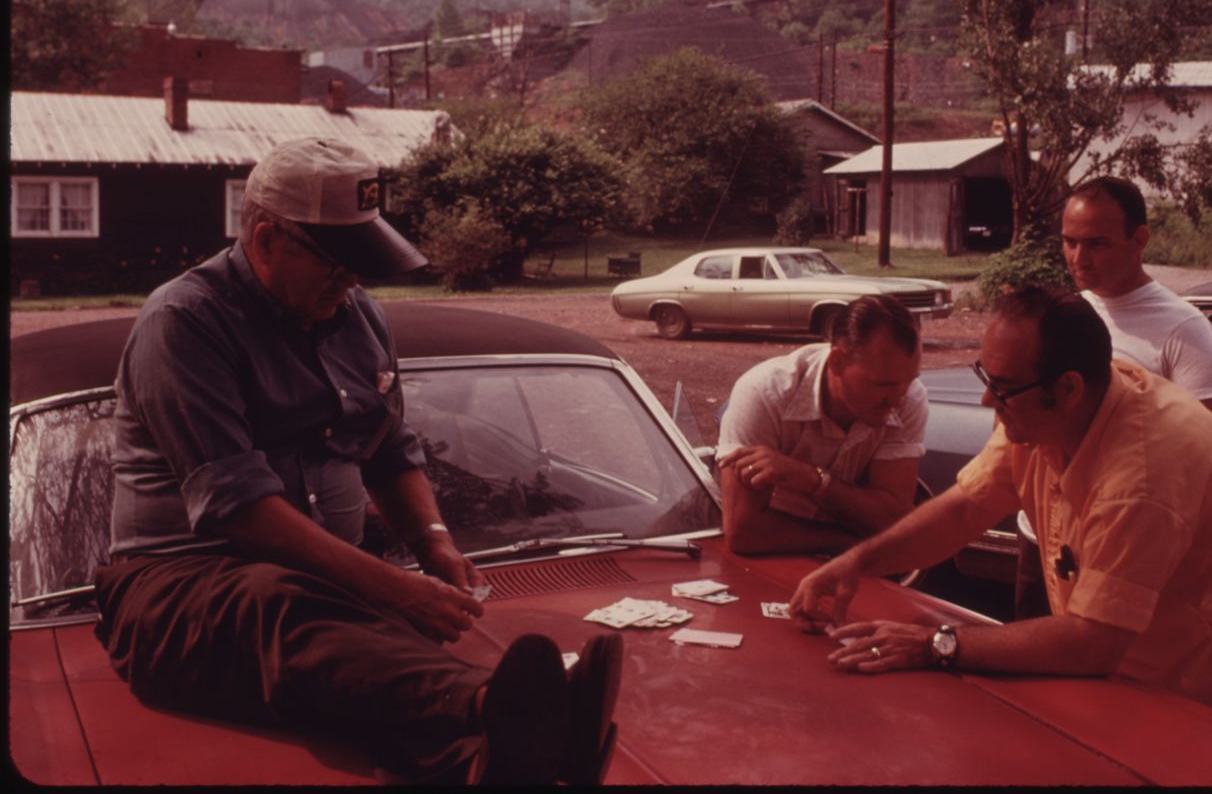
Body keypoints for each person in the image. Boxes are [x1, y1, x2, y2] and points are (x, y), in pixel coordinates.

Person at [94, 137, 623, 785]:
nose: (352, 281)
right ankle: (497, 705)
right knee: (278, 599)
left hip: (320, 594)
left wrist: (433, 544)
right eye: (335, 262)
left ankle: (490, 761)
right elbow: (238, 510)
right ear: (265, 239)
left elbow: (388, 448)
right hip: (174, 593)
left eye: (361, 263)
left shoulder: (357, 316)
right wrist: (389, 584)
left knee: (361, 668)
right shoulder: (184, 321)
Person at [788, 287, 1212, 741]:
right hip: (1157, 651)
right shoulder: (1037, 417)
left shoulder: (1144, 474)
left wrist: (939, 643)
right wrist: (856, 564)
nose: (988, 402)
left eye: (1002, 388)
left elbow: (1092, 643)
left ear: (1069, 388)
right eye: (986, 378)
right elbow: (963, 509)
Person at [717, 294, 927, 556]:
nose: (897, 400)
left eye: (909, 380)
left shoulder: (910, 397)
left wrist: (810, 479)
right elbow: (744, 533)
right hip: (770, 561)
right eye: (883, 385)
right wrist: (851, 541)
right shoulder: (764, 392)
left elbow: (891, 521)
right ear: (838, 362)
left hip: (849, 561)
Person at [1061, 176, 1212, 429]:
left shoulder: (1185, 329)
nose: (1079, 258)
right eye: (1070, 242)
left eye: (1096, 244)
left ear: (1139, 239)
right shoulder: (1065, 316)